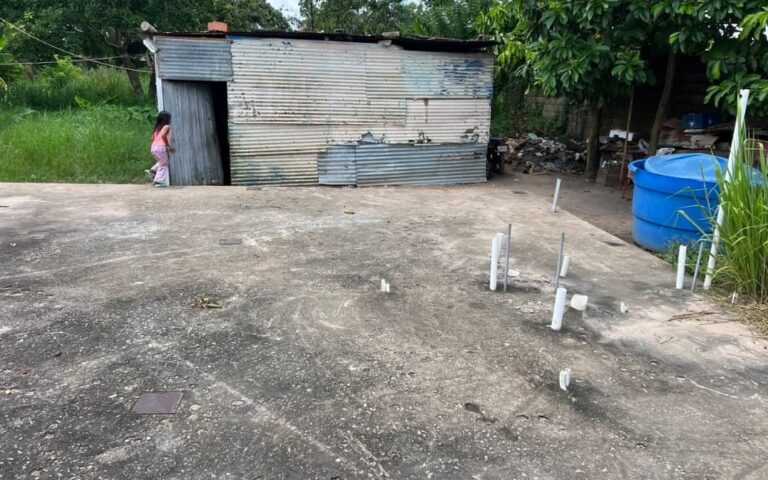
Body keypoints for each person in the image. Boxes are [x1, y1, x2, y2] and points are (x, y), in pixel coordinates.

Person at [145, 111, 175, 187]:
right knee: (164, 164)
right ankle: (158, 181)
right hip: (161, 147)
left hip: (153, 147)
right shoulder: (167, 127)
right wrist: (168, 146)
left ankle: (152, 170)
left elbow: (152, 138)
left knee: (162, 161)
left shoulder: (157, 128)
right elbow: (163, 136)